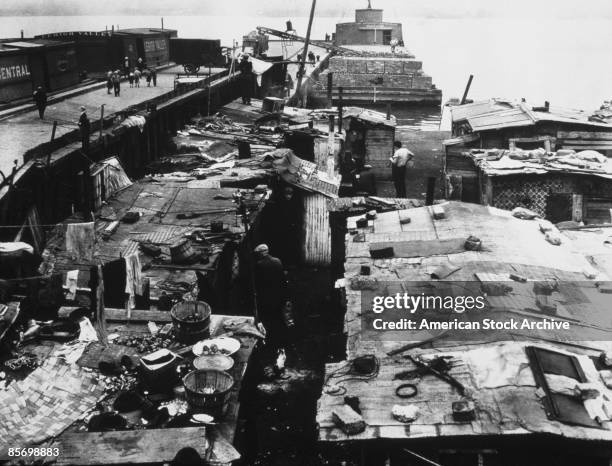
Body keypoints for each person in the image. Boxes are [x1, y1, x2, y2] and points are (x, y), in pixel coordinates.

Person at [253, 244, 287, 348]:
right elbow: (282, 279)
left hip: (266, 296)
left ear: (260, 253)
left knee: (268, 318)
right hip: (278, 293)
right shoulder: (277, 261)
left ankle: (270, 339)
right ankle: (281, 337)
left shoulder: (259, 264)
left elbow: (258, 283)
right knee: (278, 316)